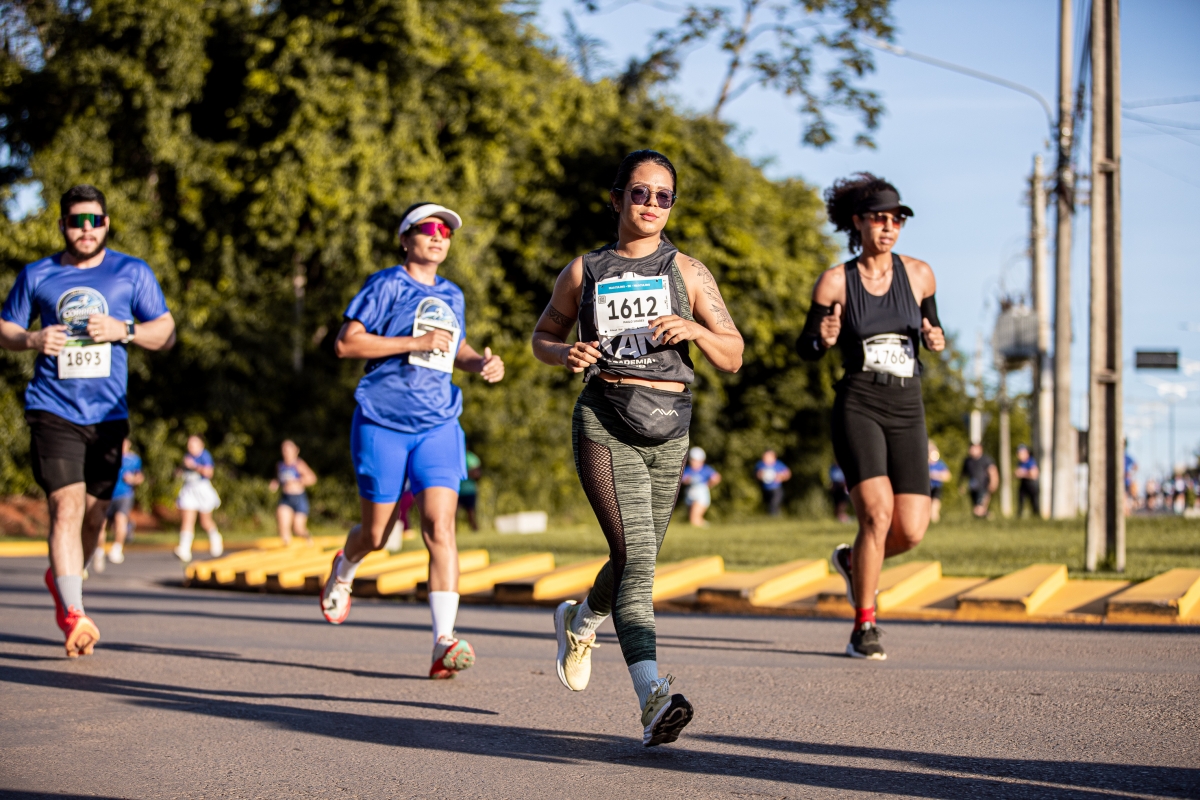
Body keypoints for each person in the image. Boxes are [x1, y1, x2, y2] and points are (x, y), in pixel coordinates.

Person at [532, 149, 744, 747]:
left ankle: (582, 621)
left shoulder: (689, 272)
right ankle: (653, 696)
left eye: (663, 196)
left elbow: (733, 354)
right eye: (640, 193)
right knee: (639, 557)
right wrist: (563, 352)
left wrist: (696, 328)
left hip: (670, 429)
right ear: (617, 198)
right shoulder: (584, 271)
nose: (651, 204)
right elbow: (542, 336)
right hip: (605, 420)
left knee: (634, 557)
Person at [318, 202, 504, 681]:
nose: (439, 236)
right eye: (429, 228)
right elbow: (347, 343)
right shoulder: (386, 285)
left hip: (439, 423)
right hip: (382, 421)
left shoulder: (453, 294)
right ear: (405, 239)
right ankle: (344, 567)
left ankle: (444, 641)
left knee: (440, 527)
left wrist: (480, 363)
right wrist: (413, 343)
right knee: (376, 534)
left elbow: (455, 348)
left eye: (447, 231)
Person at [0, 184, 175, 657]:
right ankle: (74, 614)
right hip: (53, 408)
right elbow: (6, 328)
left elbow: (166, 332)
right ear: (62, 225)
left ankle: (63, 578)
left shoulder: (131, 272)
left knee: (95, 517)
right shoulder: (38, 273)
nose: (85, 229)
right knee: (67, 506)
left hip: (108, 415)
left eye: (93, 220)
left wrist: (125, 329)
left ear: (106, 224)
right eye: (76, 221)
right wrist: (33, 340)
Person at [798, 172, 945, 661]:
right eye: (879, 219)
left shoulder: (919, 274)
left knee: (912, 529)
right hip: (859, 402)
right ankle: (865, 625)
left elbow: (933, 327)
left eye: (896, 220)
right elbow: (806, 346)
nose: (888, 228)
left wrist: (936, 338)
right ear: (858, 222)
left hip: (907, 405)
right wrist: (824, 338)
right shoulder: (835, 281)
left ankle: (850, 560)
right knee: (877, 515)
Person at [96, 438, 144, 569]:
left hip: (124, 495)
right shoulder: (107, 456)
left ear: (129, 444)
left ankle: (117, 548)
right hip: (107, 494)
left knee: (120, 520)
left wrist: (132, 479)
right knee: (100, 524)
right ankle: (99, 550)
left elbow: (140, 477)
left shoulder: (134, 459)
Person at [174, 434, 223, 561]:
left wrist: (194, 466)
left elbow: (209, 473)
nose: (190, 446)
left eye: (193, 443)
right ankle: (184, 549)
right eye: (189, 444)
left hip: (202, 490)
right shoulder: (187, 456)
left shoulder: (205, 456)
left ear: (201, 445)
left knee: (205, 521)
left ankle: (216, 539)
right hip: (189, 489)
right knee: (187, 520)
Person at [269, 439, 317, 545]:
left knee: (298, 529)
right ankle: (286, 546)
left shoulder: (299, 464)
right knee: (283, 526)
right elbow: (279, 479)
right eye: (284, 450)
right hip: (285, 498)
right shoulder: (280, 465)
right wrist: (275, 483)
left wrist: (298, 481)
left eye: (288, 450)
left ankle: (309, 540)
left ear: (295, 451)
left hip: (299, 498)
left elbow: (312, 478)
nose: (285, 452)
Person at [681, 447, 721, 526]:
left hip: (701, 495)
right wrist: (687, 480)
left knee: (694, 519)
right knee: (695, 519)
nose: (693, 462)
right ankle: (707, 527)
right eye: (692, 460)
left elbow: (717, 477)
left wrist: (708, 485)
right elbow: (683, 480)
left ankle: (706, 527)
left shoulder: (705, 469)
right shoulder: (688, 469)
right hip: (690, 494)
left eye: (696, 460)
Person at [960, 443, 998, 518]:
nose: (972, 450)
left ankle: (985, 516)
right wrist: (961, 485)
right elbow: (963, 474)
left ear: (980, 449)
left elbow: (993, 471)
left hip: (983, 487)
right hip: (973, 488)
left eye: (974, 448)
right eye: (971, 448)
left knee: (978, 509)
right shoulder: (967, 461)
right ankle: (988, 516)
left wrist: (993, 483)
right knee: (977, 508)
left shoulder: (986, 460)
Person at [755, 449, 792, 516]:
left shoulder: (778, 464)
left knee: (774, 503)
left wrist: (780, 477)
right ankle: (772, 516)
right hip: (765, 489)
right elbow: (757, 475)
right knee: (768, 504)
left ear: (774, 457)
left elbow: (787, 474)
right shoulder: (760, 464)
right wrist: (761, 475)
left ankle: (774, 516)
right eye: (764, 456)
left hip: (776, 488)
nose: (765, 458)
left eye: (768, 456)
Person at [927, 441, 951, 523]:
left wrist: (937, 475)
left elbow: (947, 476)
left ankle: (935, 521)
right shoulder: (924, 464)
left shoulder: (940, 464)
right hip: (926, 488)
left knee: (935, 505)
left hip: (936, 487)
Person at [458, 450, 482, 532]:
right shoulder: (457, 457)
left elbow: (477, 474)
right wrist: (469, 473)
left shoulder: (473, 458)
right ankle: (452, 532)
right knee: (454, 513)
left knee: (471, 514)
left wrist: (464, 473)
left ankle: (475, 531)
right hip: (458, 490)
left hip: (470, 490)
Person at [1014, 444, 1039, 518]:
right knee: (1020, 500)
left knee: (1034, 501)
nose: (1019, 455)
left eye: (1021, 453)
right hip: (1023, 483)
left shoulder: (1031, 461)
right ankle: (1019, 516)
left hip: (1032, 484)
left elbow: (1034, 474)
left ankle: (1036, 516)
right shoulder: (1020, 463)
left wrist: (1023, 473)